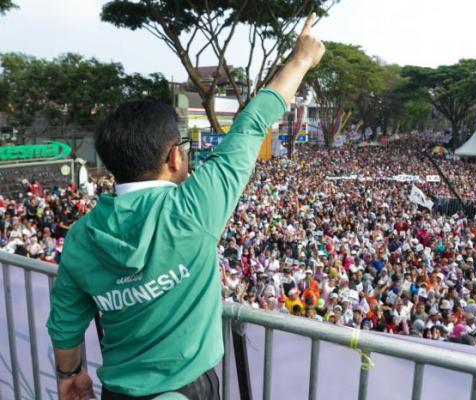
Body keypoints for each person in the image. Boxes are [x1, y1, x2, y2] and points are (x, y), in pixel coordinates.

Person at [45, 13, 325, 400]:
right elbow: (251, 125)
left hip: (118, 391)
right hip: (189, 388)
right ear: (174, 157)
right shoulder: (194, 207)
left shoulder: (80, 237)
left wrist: (70, 375)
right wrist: (301, 60)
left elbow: (65, 322)